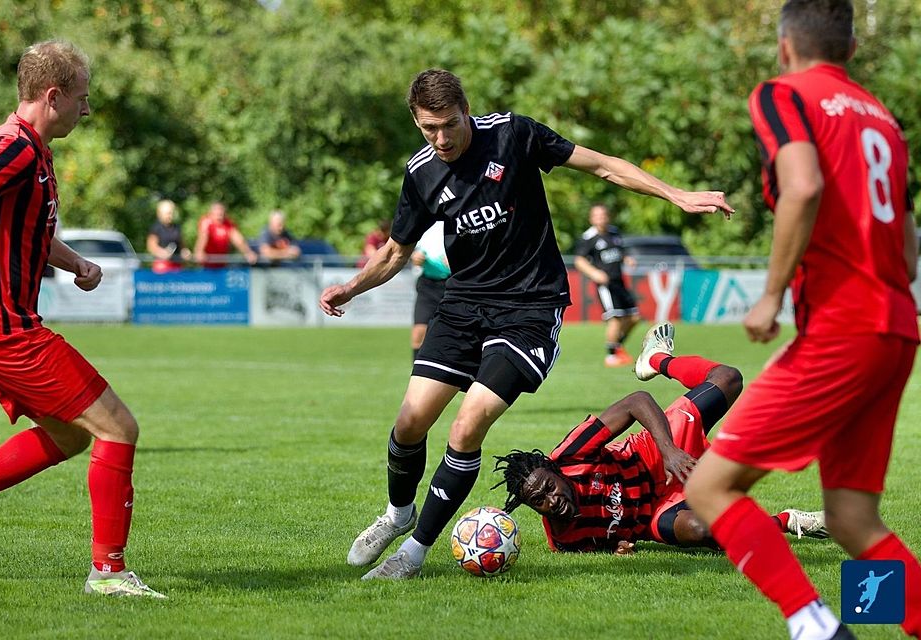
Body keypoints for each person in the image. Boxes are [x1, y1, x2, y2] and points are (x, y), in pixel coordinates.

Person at [318, 68, 733, 580]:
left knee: (468, 425)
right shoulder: (422, 172)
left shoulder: (514, 135)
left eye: (449, 124)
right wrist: (351, 288)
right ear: (417, 123)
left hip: (531, 309)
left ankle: (414, 553)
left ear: (466, 109)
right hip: (465, 304)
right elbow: (395, 252)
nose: (442, 138)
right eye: (430, 129)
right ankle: (397, 515)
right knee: (409, 422)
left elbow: (602, 166)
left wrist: (677, 195)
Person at [683, 3, 920, 639]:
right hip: (896, 328)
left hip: (844, 328)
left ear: (786, 45)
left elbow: (804, 185)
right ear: (848, 47)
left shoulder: (783, 94)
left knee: (709, 488)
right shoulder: (883, 119)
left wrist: (771, 294)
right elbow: (908, 242)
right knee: (850, 521)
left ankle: (813, 626)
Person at [0, 40, 164, 598]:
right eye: (83, 97)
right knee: (118, 427)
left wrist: (75, 262)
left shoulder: (30, 149)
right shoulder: (16, 146)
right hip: (4, 328)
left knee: (71, 436)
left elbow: (25, 228)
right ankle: (109, 572)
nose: (88, 109)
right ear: (53, 96)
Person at [493, 322, 828, 554]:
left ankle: (655, 358)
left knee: (728, 379)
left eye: (549, 488)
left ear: (555, 471)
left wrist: (668, 451)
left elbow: (636, 402)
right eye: (539, 501)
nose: (551, 501)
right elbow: (600, 543)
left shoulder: (569, 456)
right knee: (704, 531)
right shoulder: (564, 540)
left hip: (658, 453)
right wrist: (617, 548)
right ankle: (791, 521)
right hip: (656, 512)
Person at [574, 203, 640, 367]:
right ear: (591, 218)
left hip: (619, 281)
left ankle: (617, 346)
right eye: (596, 215)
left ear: (607, 216)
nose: (600, 218)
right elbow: (579, 260)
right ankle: (611, 356)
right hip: (606, 285)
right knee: (615, 319)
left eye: (603, 215)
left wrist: (627, 259)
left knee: (634, 317)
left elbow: (621, 251)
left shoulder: (614, 232)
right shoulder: (589, 237)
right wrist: (594, 273)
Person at [410, 220, 450, 360]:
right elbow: (412, 250)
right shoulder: (425, 221)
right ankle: (417, 377)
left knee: (451, 336)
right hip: (428, 284)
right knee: (418, 333)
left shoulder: (458, 217)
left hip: (454, 284)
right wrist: (415, 257)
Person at [194, 201, 258, 268]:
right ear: (211, 213)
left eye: (221, 214)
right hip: (206, 264)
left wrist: (248, 253)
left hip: (222, 264)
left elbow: (238, 239)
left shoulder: (228, 224)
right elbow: (203, 237)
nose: (219, 217)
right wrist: (199, 251)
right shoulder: (206, 222)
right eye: (217, 214)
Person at [146, 199, 191, 274]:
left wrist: (185, 252)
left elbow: (182, 245)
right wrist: (162, 253)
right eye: (167, 213)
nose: (170, 216)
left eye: (171, 213)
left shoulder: (177, 227)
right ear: (160, 214)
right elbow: (151, 246)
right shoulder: (156, 228)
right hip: (161, 266)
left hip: (177, 266)